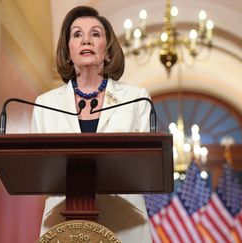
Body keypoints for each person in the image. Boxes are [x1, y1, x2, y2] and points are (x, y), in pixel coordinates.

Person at [31, 6, 152, 242]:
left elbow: (144, 167)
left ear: (107, 51)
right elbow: (38, 169)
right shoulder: (44, 103)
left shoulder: (136, 98)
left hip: (123, 223)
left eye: (95, 34)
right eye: (77, 34)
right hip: (62, 225)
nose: (86, 40)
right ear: (68, 51)